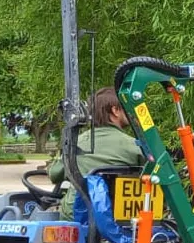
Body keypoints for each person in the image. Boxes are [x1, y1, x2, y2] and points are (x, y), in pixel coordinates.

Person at [47, 87, 146, 218]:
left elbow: (54, 174)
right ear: (115, 110)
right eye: (126, 108)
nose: (130, 112)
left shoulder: (75, 143)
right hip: (120, 219)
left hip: (76, 216)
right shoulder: (135, 146)